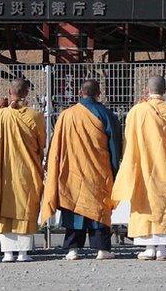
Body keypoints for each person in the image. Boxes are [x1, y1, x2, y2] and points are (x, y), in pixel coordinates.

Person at [41, 80, 122, 261]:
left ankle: (73, 249)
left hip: (72, 171)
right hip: (98, 171)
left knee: (74, 205)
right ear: (99, 94)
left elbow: (56, 145)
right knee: (98, 207)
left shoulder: (66, 115)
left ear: (79, 92)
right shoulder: (106, 114)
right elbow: (115, 145)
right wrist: (115, 169)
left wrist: (53, 167)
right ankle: (102, 249)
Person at [112, 75, 166, 261]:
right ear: (165, 90)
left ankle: (149, 248)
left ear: (147, 90)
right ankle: (161, 249)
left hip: (142, 167)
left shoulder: (137, 111)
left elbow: (128, 139)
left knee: (144, 203)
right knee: (165, 202)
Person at [0, 78, 47, 262]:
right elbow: (40, 144)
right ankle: (23, 253)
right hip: (26, 170)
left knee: (5, 207)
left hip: (3, 173)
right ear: (26, 93)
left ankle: (7, 253)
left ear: (9, 91)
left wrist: (0, 110)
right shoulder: (35, 116)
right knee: (25, 207)